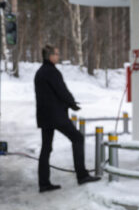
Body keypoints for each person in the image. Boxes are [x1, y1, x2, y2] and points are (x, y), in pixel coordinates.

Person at [34, 44, 101, 192]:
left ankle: (44, 183)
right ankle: (82, 175)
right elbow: (61, 90)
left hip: (44, 116)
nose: (58, 56)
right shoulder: (52, 72)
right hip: (56, 115)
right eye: (57, 54)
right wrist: (72, 103)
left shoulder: (40, 72)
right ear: (50, 56)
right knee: (77, 138)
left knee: (46, 148)